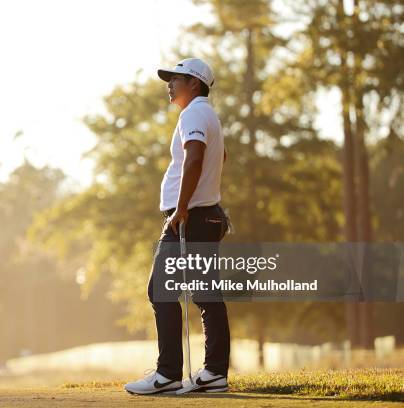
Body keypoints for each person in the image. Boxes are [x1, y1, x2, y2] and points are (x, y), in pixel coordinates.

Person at [124, 58, 231, 395]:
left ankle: (168, 373)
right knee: (205, 294)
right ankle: (213, 372)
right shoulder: (204, 114)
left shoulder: (194, 114)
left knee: (161, 290)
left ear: (195, 84)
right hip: (203, 215)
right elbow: (220, 158)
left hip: (191, 217)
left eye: (176, 79)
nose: (169, 84)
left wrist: (182, 207)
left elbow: (196, 157)